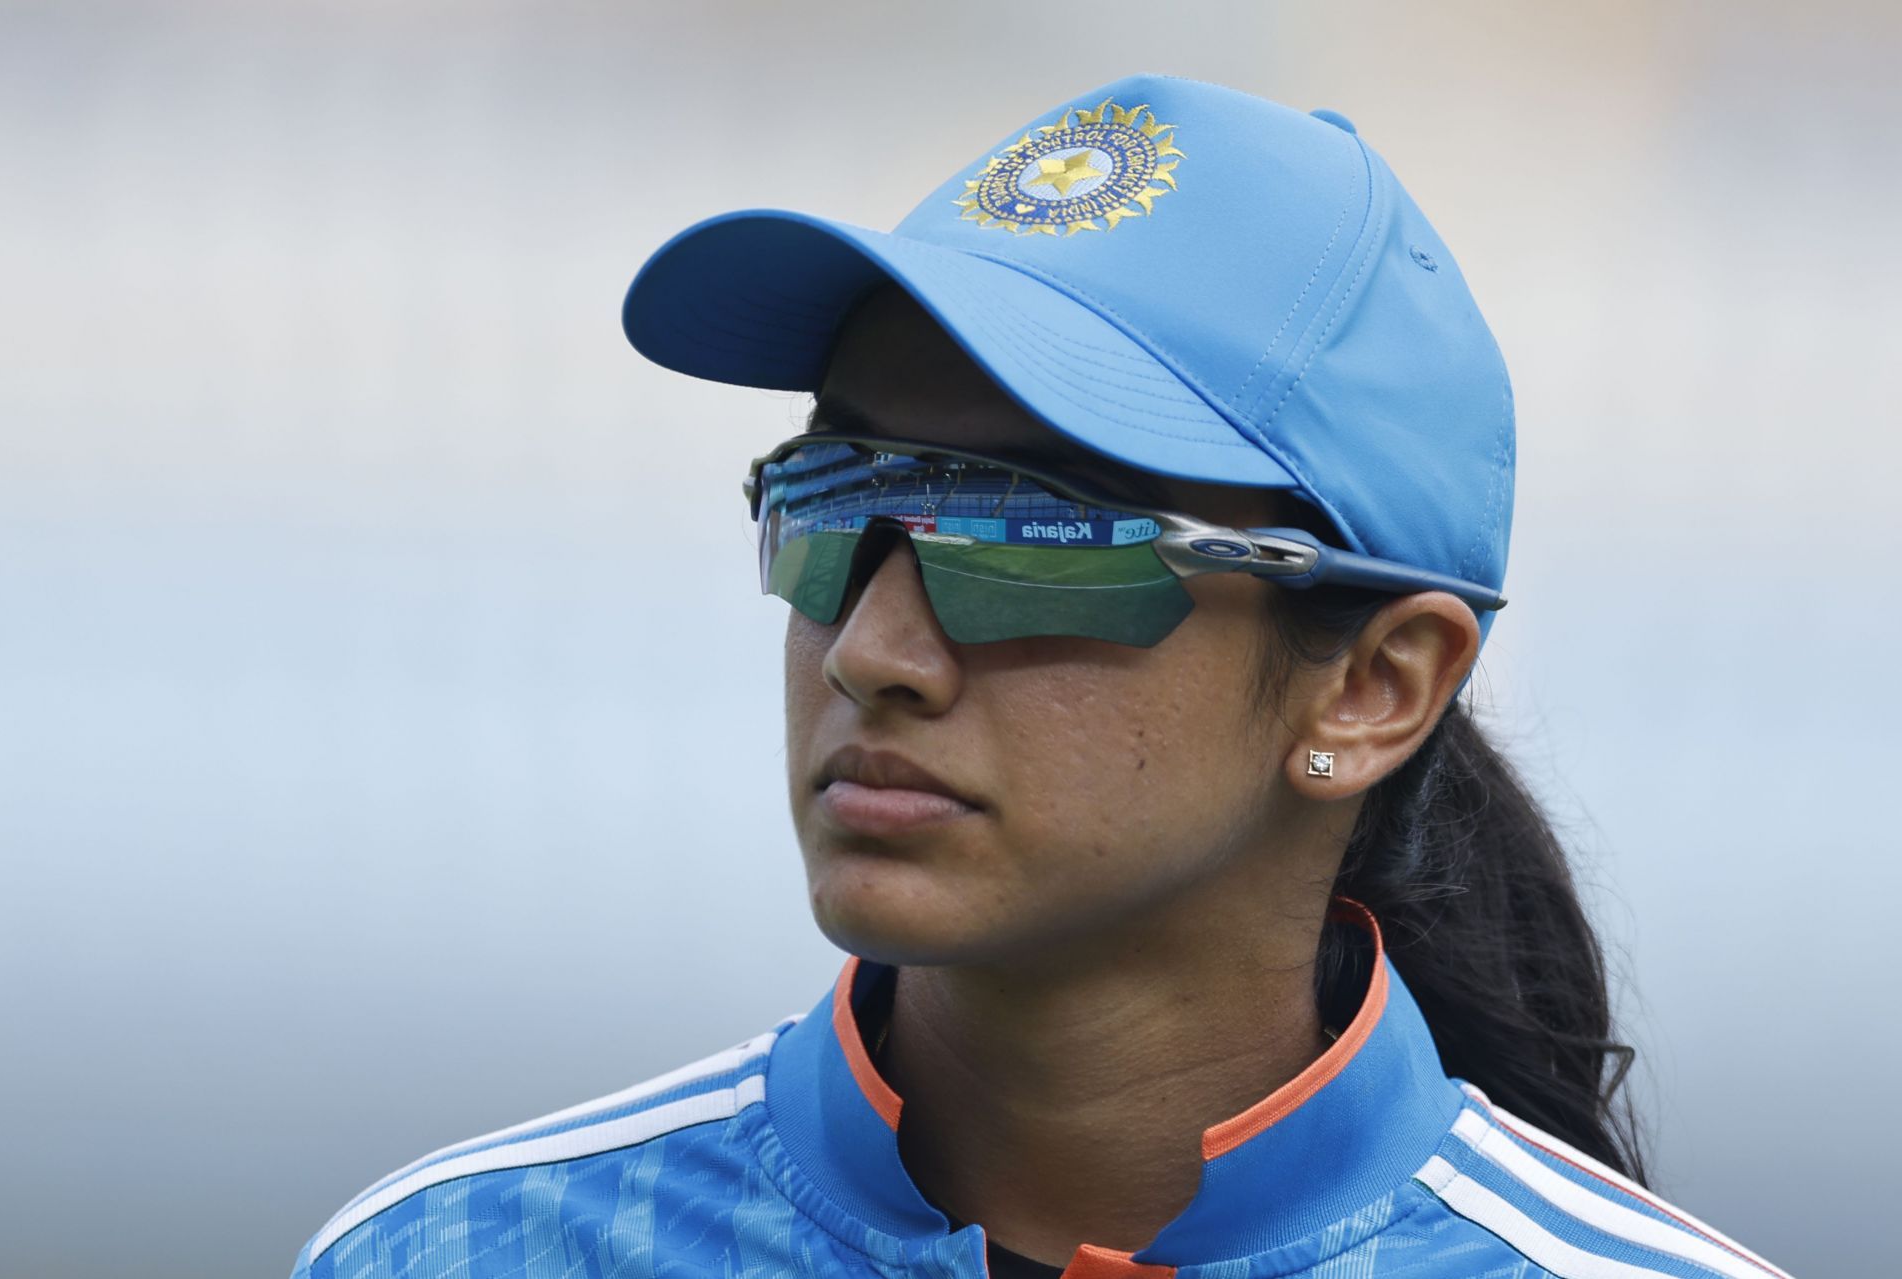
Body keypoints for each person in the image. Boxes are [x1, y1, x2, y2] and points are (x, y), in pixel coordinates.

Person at [292, 75, 1792, 1279]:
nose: (875, 653)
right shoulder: (458, 1253)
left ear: (1373, 689)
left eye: (1032, 540)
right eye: (830, 509)